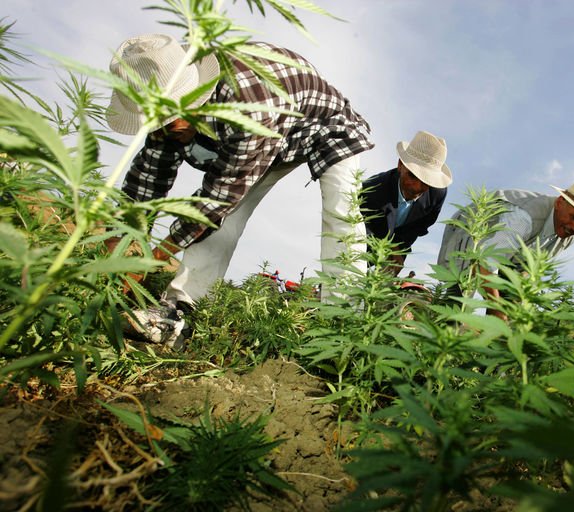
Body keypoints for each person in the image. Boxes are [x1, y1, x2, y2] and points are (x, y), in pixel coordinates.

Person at [106, 34, 374, 345]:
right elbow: (145, 183)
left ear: (193, 97)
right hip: (270, 131)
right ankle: (180, 312)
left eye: (169, 121)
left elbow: (216, 201)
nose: (164, 131)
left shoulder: (250, 105)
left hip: (324, 124)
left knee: (341, 213)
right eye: (157, 122)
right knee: (225, 221)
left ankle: (343, 328)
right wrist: (121, 249)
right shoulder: (163, 82)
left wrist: (151, 259)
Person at [437, 179, 574, 320]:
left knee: (512, 308)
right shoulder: (523, 217)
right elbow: (485, 263)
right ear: (560, 202)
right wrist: (497, 309)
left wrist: (512, 307)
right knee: (459, 299)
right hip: (474, 234)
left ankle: (489, 356)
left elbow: (527, 270)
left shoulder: (566, 237)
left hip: (508, 254)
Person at [361, 131, 452, 276]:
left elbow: (419, 227)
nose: (417, 187)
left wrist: (398, 248)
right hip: (362, 240)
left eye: (426, 181)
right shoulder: (372, 190)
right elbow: (361, 228)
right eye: (412, 176)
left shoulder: (437, 194)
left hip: (396, 245)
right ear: (400, 165)